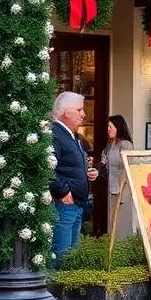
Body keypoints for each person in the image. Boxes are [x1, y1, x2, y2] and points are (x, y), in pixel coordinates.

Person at [51, 91, 98, 263]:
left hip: (76, 203)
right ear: (65, 112)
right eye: (79, 110)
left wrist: (87, 172)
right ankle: (57, 289)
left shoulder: (72, 136)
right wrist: (63, 191)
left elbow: (68, 166)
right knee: (62, 257)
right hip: (65, 204)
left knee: (72, 257)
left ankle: (66, 289)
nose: (83, 114)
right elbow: (47, 168)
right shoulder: (55, 134)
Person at [101, 115, 134, 233]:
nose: (108, 129)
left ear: (118, 127)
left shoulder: (125, 145)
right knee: (111, 221)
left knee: (119, 223)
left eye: (110, 127)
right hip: (110, 188)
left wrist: (123, 188)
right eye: (108, 127)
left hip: (121, 190)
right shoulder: (110, 144)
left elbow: (128, 167)